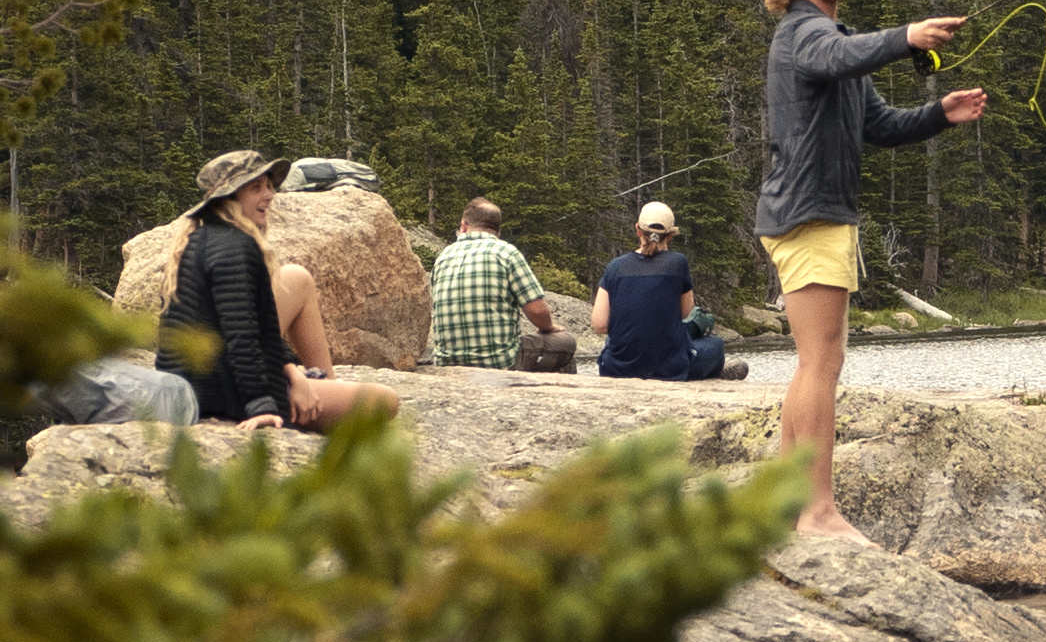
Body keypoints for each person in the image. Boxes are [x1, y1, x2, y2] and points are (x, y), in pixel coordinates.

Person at [750, 0, 983, 535]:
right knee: (820, 361)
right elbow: (838, 55)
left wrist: (940, 113)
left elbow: (877, 126)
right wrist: (906, 37)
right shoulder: (803, 34)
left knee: (817, 360)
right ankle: (817, 511)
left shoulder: (833, 38)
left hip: (816, 214)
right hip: (808, 214)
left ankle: (791, 504)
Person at [164, 148, 401, 435]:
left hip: (202, 385)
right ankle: (320, 397)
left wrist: (291, 372)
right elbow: (241, 336)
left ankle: (322, 385)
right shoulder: (234, 249)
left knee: (296, 278)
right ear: (230, 197)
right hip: (224, 394)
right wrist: (262, 405)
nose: (269, 195)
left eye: (268, 185)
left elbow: (254, 327)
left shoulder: (201, 238)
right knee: (385, 401)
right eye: (256, 188)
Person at [591, 200, 730, 381]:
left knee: (611, 342)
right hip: (668, 369)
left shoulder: (615, 267)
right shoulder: (677, 263)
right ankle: (716, 374)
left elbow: (599, 324)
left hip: (616, 369)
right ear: (670, 235)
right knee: (716, 345)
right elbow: (687, 312)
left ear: (637, 230)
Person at [430, 196, 571, 371]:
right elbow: (537, 310)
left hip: (447, 364)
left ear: (464, 225)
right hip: (497, 364)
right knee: (566, 342)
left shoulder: (443, 257)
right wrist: (549, 327)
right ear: (498, 232)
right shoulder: (506, 252)